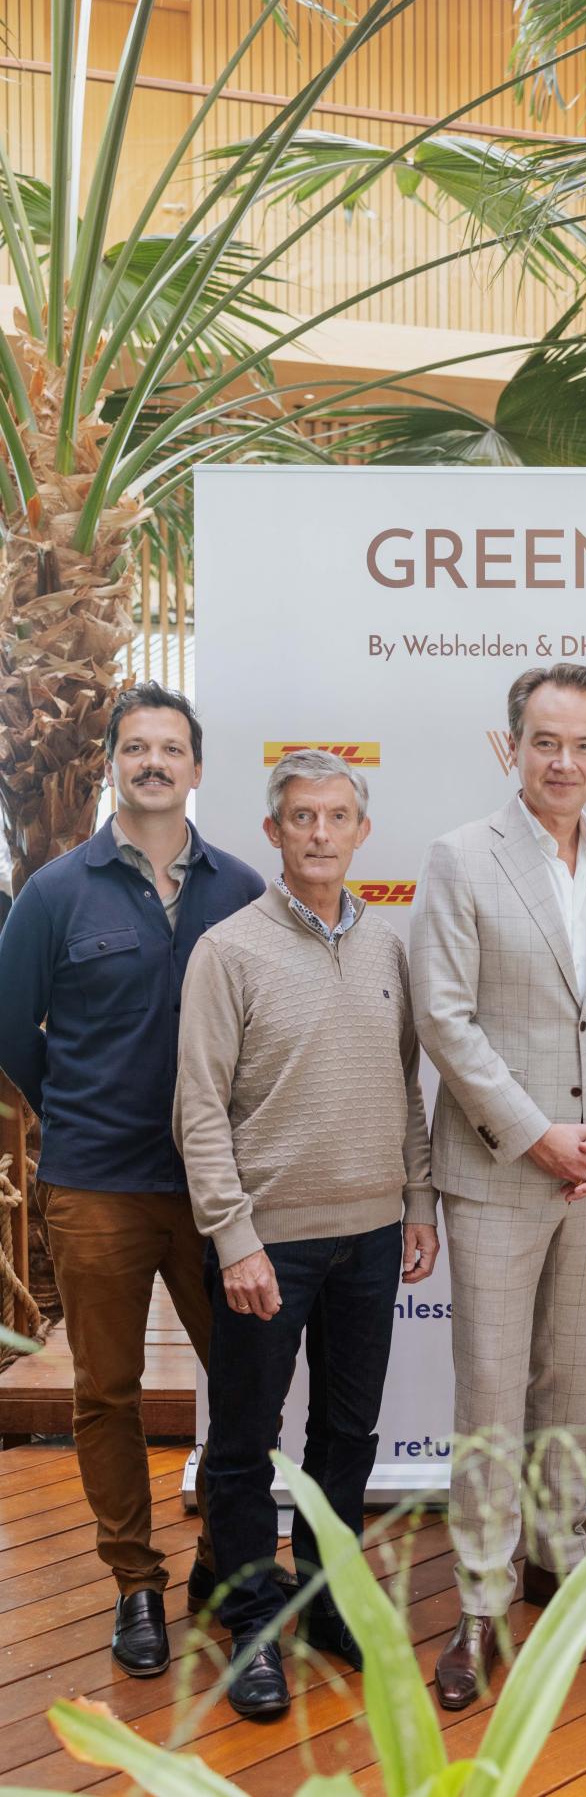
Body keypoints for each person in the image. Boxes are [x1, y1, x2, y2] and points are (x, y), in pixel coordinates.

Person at [411, 662, 586, 1713]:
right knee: (490, 1390)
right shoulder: (460, 856)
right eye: (545, 741)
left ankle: (559, 1564)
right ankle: (480, 1597)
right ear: (511, 745)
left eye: (583, 744)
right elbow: (444, 1017)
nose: (564, 761)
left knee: (572, 1377)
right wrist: (537, 1135)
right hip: (499, 1168)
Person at [0, 682, 263, 1678]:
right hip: (97, 1185)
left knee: (243, 1384)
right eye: (136, 746)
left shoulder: (242, 888)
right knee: (105, 1392)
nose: (154, 762)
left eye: (171, 747)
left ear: (196, 767)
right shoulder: (53, 892)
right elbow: (11, 1027)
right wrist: (76, 1108)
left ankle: (229, 1570)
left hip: (217, 1190)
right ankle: (134, 1584)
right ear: (111, 761)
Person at [174, 749, 439, 1720]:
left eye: (336, 816)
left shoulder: (389, 946)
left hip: (371, 1235)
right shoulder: (228, 950)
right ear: (273, 831)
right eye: (301, 816)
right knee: (245, 1443)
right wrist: (234, 1236)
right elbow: (199, 1109)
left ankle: (330, 1603)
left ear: (361, 832)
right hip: (267, 1244)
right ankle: (250, 1618)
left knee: (346, 1436)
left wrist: (419, 1200)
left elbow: (406, 1084)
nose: (320, 831)